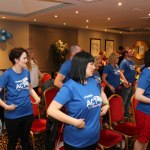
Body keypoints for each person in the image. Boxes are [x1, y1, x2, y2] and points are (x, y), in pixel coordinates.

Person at [47, 51, 109, 150]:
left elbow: (101, 93)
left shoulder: (93, 81)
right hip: (76, 142)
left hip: (94, 138)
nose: (94, 67)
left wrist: (106, 104)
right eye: (91, 64)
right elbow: (51, 110)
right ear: (82, 65)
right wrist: (75, 122)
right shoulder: (69, 87)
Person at [0, 47, 40, 150]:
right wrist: (6, 107)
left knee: (25, 140)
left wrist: (36, 97)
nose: (27, 60)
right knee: (12, 142)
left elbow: (30, 88)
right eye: (24, 58)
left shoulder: (26, 72)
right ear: (16, 60)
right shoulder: (7, 74)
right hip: (13, 115)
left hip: (27, 112)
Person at [134, 49, 150, 150]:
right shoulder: (147, 73)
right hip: (144, 112)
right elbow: (138, 96)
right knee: (142, 139)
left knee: (146, 138)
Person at [119, 48, 136, 118]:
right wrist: (125, 82)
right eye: (130, 51)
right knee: (124, 101)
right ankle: (120, 115)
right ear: (126, 54)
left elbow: (133, 72)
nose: (132, 52)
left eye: (132, 51)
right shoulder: (124, 62)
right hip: (126, 85)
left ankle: (126, 113)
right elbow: (120, 73)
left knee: (129, 100)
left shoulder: (132, 61)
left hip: (132, 84)